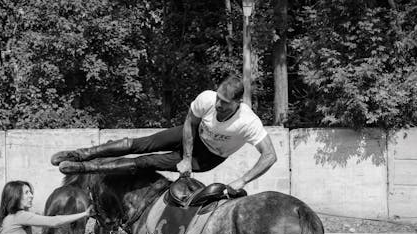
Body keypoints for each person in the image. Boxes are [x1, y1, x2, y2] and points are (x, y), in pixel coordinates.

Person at [52, 75, 277, 195]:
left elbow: (269, 155)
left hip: (208, 157)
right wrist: (185, 157)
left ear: (238, 102)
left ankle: (85, 169)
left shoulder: (247, 122)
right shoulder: (207, 98)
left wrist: (243, 179)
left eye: (225, 103)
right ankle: (79, 155)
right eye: (218, 97)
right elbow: (190, 121)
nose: (218, 104)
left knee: (143, 162)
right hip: (192, 135)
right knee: (138, 144)